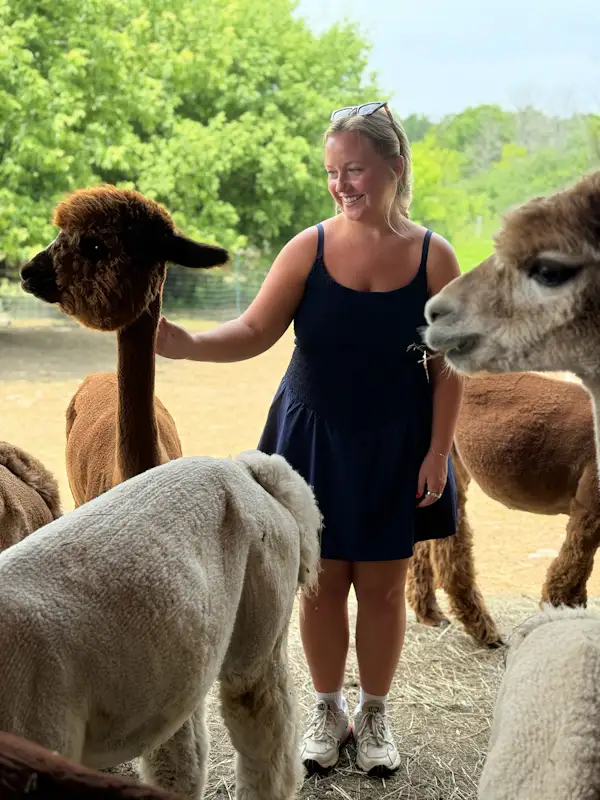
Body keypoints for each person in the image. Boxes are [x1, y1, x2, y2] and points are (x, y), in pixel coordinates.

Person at [155, 101, 462, 777]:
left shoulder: (434, 256)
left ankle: (374, 716)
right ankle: (327, 712)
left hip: (397, 445)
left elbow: (449, 366)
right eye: (331, 171)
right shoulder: (308, 248)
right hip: (310, 441)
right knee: (318, 587)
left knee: (383, 588)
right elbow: (253, 331)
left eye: (354, 169)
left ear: (394, 166)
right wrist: (186, 343)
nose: (340, 184)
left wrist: (438, 451)